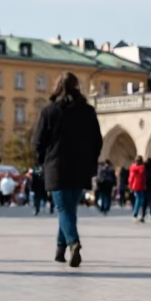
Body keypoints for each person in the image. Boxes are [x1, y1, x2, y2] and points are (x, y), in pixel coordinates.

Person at [34, 72, 102, 267]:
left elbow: (38, 141)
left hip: (56, 167)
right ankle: (59, 250)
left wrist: (43, 160)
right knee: (68, 209)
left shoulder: (49, 111)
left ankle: (74, 243)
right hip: (81, 168)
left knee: (64, 209)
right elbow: (97, 141)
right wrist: (91, 160)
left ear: (57, 87)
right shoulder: (88, 111)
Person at [128, 155, 148, 222]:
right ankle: (140, 213)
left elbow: (131, 177)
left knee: (138, 199)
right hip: (141, 185)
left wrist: (130, 185)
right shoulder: (142, 167)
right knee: (141, 199)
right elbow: (144, 177)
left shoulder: (132, 167)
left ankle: (136, 213)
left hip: (135, 185)